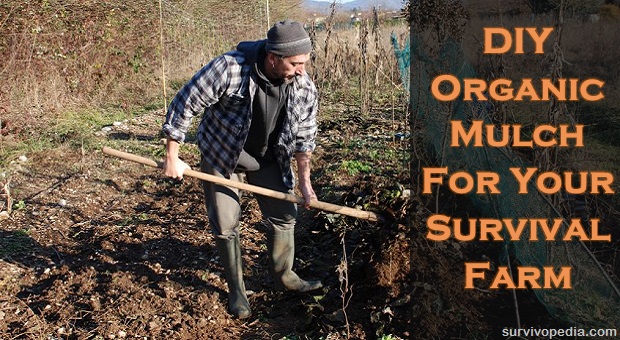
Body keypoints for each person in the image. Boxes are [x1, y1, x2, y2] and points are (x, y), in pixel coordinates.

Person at [161, 19, 322, 319]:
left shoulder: (302, 85)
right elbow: (185, 103)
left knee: (285, 216)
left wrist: (305, 183)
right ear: (273, 58)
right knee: (225, 223)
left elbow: (305, 136)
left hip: (269, 157)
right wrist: (173, 156)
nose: (302, 69)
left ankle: (284, 276)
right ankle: (237, 290)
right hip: (223, 154)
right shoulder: (229, 68)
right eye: (296, 63)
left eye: (305, 62)